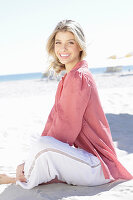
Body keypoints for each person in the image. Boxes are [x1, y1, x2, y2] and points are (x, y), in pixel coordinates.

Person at [0, 20, 132, 189]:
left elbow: (65, 129)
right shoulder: (67, 78)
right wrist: (30, 159)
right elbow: (52, 123)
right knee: (40, 141)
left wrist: (28, 164)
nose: (63, 48)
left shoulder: (79, 77)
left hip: (97, 166)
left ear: (80, 46)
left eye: (70, 42)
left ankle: (20, 178)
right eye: (58, 43)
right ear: (53, 46)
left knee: (43, 145)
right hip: (81, 160)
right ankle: (24, 175)